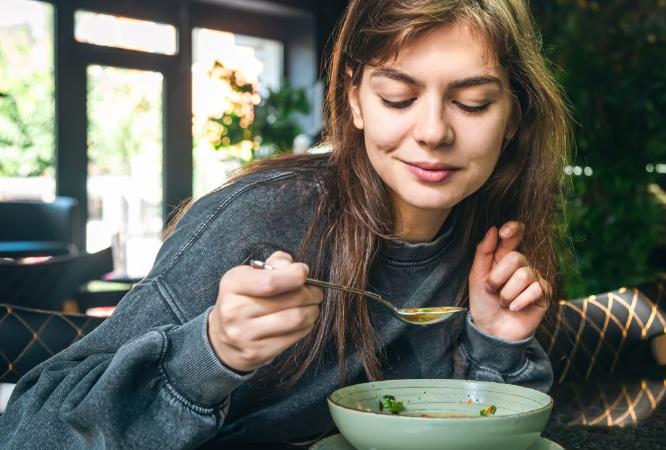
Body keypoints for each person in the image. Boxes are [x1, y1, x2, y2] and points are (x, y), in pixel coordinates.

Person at [0, 0, 570, 447]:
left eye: (472, 103)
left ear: (514, 116)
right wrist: (213, 350)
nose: (433, 131)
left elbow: (487, 434)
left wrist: (496, 343)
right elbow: (30, 432)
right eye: (398, 97)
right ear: (354, 100)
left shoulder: (490, 238)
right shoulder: (261, 220)